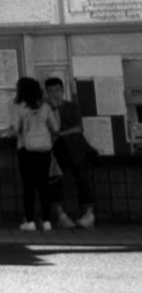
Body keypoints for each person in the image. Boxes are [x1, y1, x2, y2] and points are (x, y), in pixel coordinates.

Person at [5, 78, 59, 231]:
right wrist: (48, 143)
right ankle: (47, 221)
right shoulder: (45, 107)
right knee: (44, 186)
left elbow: (14, 130)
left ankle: (29, 221)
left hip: (26, 150)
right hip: (44, 151)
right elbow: (55, 128)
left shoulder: (18, 107)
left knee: (28, 186)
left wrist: (8, 133)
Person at [45, 77, 96, 228]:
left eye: (57, 90)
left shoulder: (72, 107)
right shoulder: (45, 109)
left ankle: (88, 214)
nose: (54, 94)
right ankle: (61, 215)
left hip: (76, 149)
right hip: (55, 150)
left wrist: (58, 134)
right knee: (56, 181)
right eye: (50, 91)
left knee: (82, 180)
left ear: (63, 91)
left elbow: (78, 128)